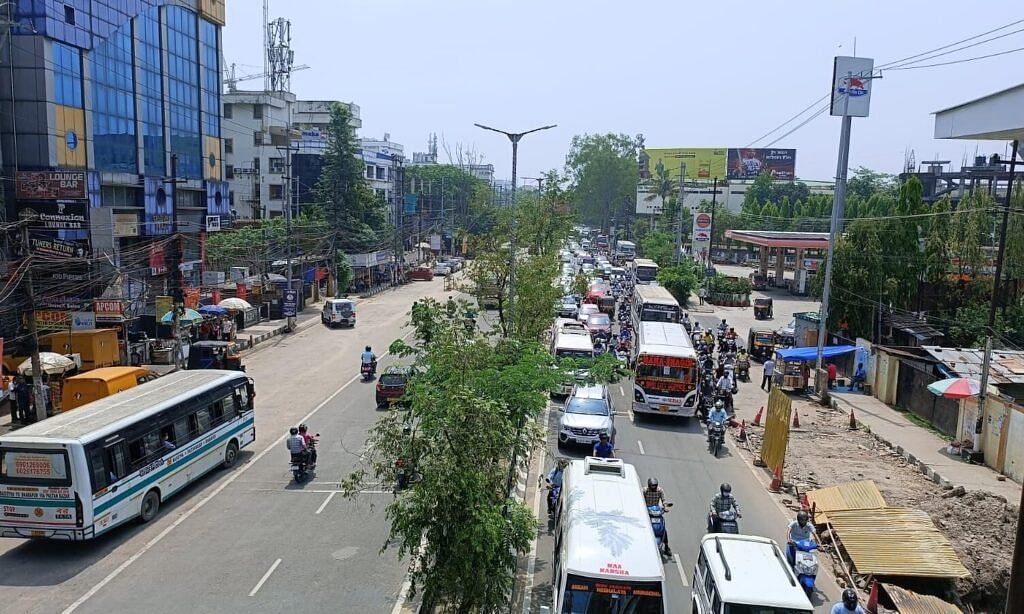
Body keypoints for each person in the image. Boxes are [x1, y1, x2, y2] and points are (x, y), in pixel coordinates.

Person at [643, 478, 671, 556]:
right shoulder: (644, 491)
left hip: (656, 511)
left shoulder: (660, 490)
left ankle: (666, 547)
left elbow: (664, 500)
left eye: (655, 486)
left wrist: (665, 507)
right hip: (647, 511)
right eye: (652, 486)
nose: (653, 488)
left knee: (663, 529)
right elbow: (640, 499)